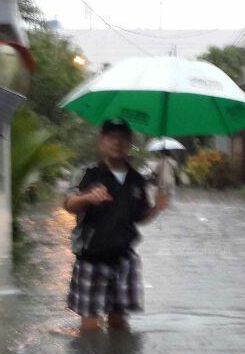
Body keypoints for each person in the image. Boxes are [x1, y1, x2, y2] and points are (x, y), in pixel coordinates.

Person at [63, 119, 170, 333]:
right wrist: (88, 198)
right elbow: (68, 204)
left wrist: (156, 208)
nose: (117, 143)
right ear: (101, 142)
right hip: (91, 259)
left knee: (119, 325)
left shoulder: (136, 180)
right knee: (90, 329)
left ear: (130, 143)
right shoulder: (89, 174)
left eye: (123, 138)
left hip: (124, 260)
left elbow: (140, 217)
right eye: (111, 137)